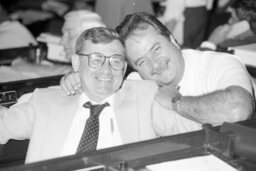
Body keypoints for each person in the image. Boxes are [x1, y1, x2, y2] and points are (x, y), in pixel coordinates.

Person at [0, 27, 177, 164]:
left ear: (124, 68)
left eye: (115, 61)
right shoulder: (45, 101)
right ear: (76, 63)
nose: (106, 70)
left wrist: (172, 98)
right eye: (96, 59)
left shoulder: (145, 96)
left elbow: (189, 127)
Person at [61, 12, 254, 129]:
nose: (155, 65)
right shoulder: (138, 81)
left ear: (172, 40)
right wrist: (77, 81)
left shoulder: (220, 64)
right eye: (142, 61)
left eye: (156, 49)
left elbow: (238, 109)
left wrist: (175, 102)